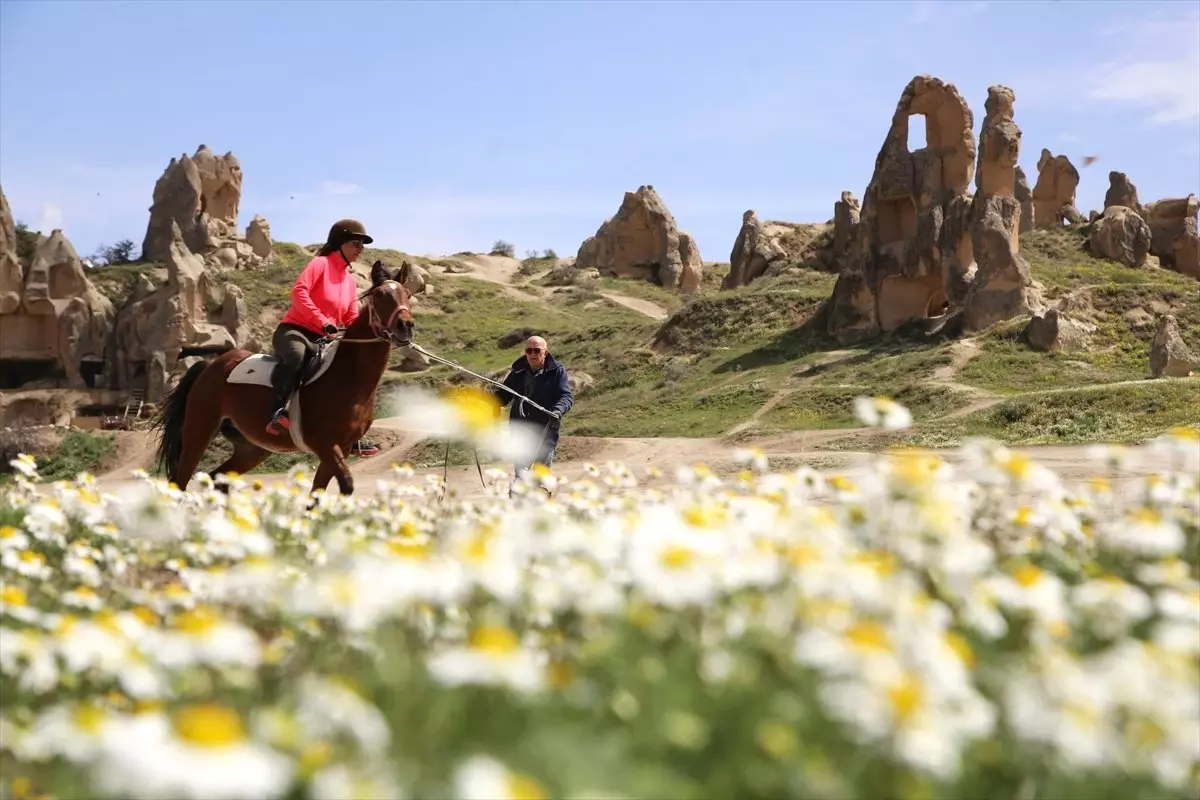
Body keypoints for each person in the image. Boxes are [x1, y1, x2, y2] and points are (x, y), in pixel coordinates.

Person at [266, 218, 373, 436]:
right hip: (295, 332)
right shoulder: (320, 264)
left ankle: (348, 433)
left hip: (323, 340)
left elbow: (351, 316)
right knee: (296, 356)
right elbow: (299, 292)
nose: (360, 249)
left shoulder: (350, 282)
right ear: (340, 243)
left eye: (362, 245)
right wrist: (322, 320)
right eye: (356, 243)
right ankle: (277, 412)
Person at [491, 334, 574, 477]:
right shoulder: (517, 372)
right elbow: (502, 397)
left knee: (540, 477)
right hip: (521, 433)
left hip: (545, 432)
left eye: (537, 350)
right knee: (521, 477)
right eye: (529, 351)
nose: (532, 354)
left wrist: (557, 411)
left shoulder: (557, 372)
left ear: (545, 352)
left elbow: (566, 396)